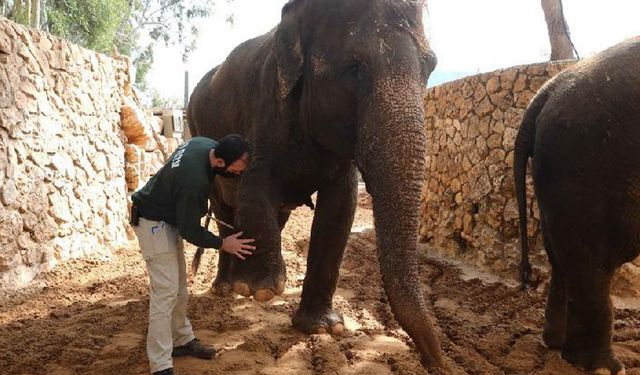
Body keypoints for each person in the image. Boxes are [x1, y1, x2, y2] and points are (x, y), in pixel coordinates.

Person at [130, 134, 255, 375]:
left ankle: (181, 340)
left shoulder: (204, 144)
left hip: (167, 217)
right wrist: (222, 243)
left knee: (179, 289)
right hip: (153, 222)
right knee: (165, 293)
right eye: (236, 171)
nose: (237, 175)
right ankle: (161, 365)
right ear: (220, 163)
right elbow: (190, 231)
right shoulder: (193, 182)